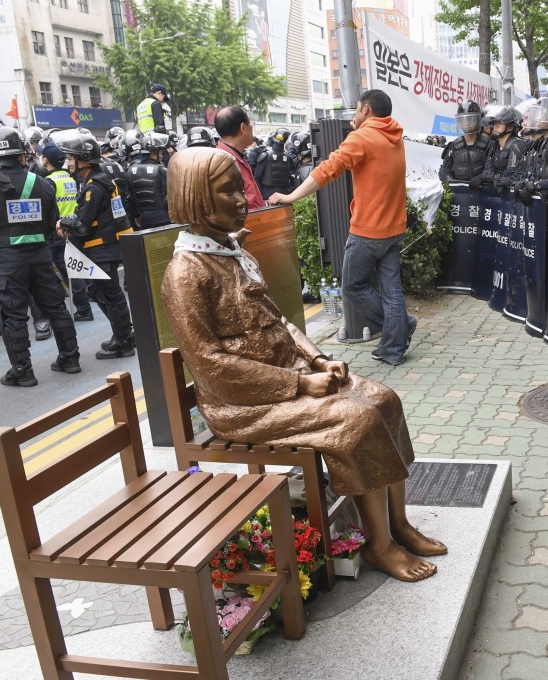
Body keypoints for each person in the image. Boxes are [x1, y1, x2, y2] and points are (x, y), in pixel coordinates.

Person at [161, 147, 444, 581]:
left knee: (385, 400)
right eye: (227, 192)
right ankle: (379, 544)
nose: (242, 199)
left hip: (290, 376)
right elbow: (209, 364)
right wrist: (296, 385)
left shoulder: (233, 253)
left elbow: (279, 321)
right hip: (242, 404)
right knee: (356, 420)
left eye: (239, 188)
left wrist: (318, 359)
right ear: (196, 197)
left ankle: (398, 523)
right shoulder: (186, 273)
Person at [269, 90, 418, 366]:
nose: (355, 114)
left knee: (352, 287)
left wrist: (290, 197)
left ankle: (399, 328)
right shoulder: (395, 137)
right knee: (392, 292)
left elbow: (327, 170)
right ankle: (393, 347)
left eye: (357, 109)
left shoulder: (362, 137)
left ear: (366, 110)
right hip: (394, 227)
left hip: (368, 230)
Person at [0, 127, 81, 386]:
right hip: (41, 256)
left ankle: (23, 371)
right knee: (56, 306)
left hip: (6, 260)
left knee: (13, 315)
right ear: (22, 155)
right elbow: (51, 222)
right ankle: (70, 358)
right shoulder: (43, 183)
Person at [55, 128, 137, 359]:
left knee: (108, 295)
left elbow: (83, 224)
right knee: (105, 293)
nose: (67, 162)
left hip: (102, 249)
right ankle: (123, 335)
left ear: (83, 159)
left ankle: (123, 341)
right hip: (105, 248)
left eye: (70, 158)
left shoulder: (94, 186)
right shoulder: (98, 181)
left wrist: (63, 222)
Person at [39, 136, 94, 322]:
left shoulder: (48, 181)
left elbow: (48, 209)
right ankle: (87, 300)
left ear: (46, 159)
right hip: (73, 226)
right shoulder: (70, 176)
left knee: (69, 271)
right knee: (75, 267)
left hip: (58, 230)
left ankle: (84, 308)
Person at [214, 106, 266, 211]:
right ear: (243, 128)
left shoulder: (235, 157)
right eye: (250, 124)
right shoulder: (225, 162)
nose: (251, 128)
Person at [126, 132, 170, 230]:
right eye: (160, 153)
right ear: (153, 155)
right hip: (165, 220)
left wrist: (136, 216)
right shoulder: (160, 169)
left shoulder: (130, 170)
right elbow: (170, 197)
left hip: (144, 221)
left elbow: (129, 199)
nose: (162, 156)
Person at [477, 105, 526, 195]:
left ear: (510, 127)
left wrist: (493, 177)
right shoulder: (495, 145)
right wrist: (486, 177)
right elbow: (488, 170)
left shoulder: (517, 145)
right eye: (494, 123)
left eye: (500, 123)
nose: (495, 126)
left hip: (510, 196)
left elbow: (510, 175)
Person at [439, 100, 492, 183]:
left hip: (483, 189)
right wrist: (451, 181)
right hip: (458, 190)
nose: (467, 123)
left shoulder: (489, 145)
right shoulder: (453, 147)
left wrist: (481, 178)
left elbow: (492, 170)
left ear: (477, 120)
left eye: (471, 119)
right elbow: (444, 172)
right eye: (463, 120)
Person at [253, 127, 298, 200]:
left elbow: (257, 177)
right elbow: (292, 175)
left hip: (267, 195)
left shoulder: (265, 155)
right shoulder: (288, 158)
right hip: (283, 195)